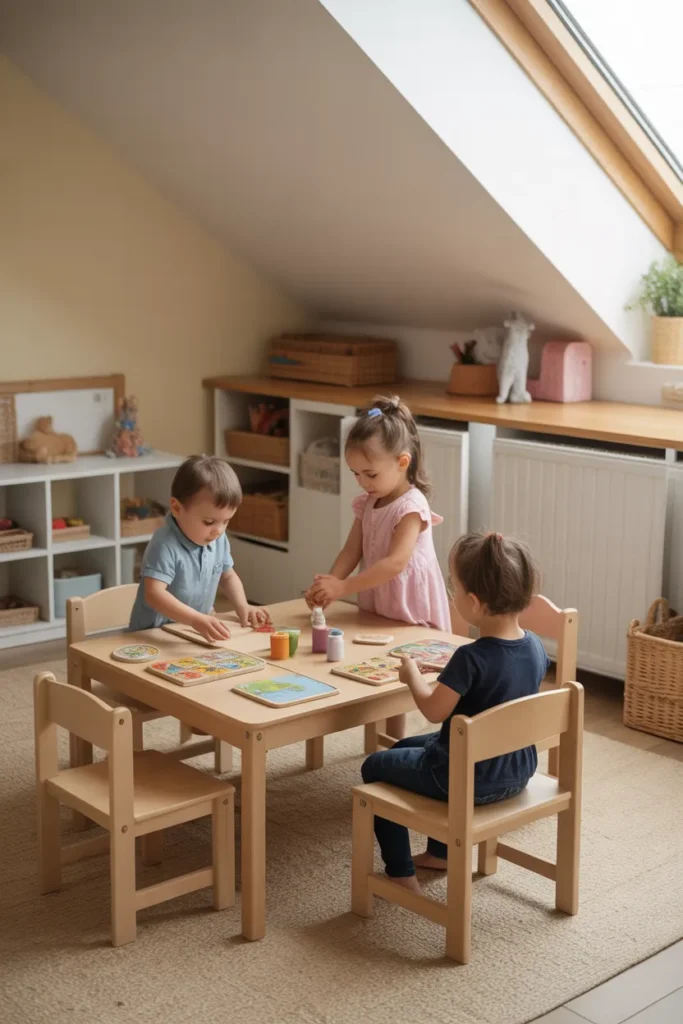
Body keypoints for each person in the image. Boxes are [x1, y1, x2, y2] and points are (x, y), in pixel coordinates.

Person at [360, 531, 549, 893]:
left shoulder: (470, 657)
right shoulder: (536, 647)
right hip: (516, 769)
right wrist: (450, 678)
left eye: (454, 586)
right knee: (401, 748)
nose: (451, 593)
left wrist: (411, 676)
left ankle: (399, 871)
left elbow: (434, 711)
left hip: (465, 778)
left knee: (374, 765)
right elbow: (497, 691)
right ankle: (440, 853)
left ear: (473, 602)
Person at [307, 396, 450, 740]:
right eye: (355, 473)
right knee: (380, 663)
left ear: (403, 462)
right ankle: (384, 742)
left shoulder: (412, 506)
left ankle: (397, 742)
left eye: (370, 474)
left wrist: (344, 587)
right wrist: (330, 583)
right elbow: (351, 550)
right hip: (380, 598)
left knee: (403, 667)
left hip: (409, 605)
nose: (362, 481)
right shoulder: (368, 502)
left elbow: (396, 563)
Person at [129, 454, 270, 640]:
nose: (218, 530)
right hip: (153, 635)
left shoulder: (217, 538)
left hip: (192, 631)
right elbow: (154, 594)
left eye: (226, 521)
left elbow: (227, 576)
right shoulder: (164, 543)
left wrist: (243, 606)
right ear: (177, 508)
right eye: (209, 521)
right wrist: (195, 619)